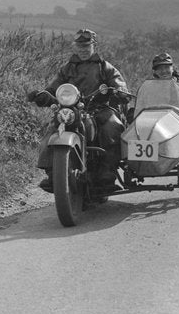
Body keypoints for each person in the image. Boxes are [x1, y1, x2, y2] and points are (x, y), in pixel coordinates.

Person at [27, 28, 129, 192]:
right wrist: (42, 95)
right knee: (51, 130)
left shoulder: (105, 67)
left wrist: (119, 92)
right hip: (71, 110)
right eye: (80, 46)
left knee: (112, 127)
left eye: (87, 46)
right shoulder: (67, 69)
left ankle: (107, 173)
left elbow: (119, 85)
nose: (83, 50)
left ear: (94, 45)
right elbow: (53, 88)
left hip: (100, 109)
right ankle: (54, 174)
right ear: (75, 47)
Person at [150, 52, 179, 118]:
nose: (164, 71)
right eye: (160, 68)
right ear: (155, 72)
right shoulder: (148, 89)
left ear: (172, 68)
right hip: (154, 121)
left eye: (166, 67)